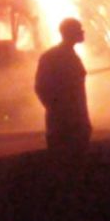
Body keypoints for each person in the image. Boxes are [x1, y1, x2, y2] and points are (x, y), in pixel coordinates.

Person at [34, 18, 92, 154]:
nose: (83, 32)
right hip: (64, 128)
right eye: (79, 29)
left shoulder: (65, 55)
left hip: (73, 124)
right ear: (71, 32)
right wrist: (60, 112)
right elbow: (41, 87)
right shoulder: (53, 56)